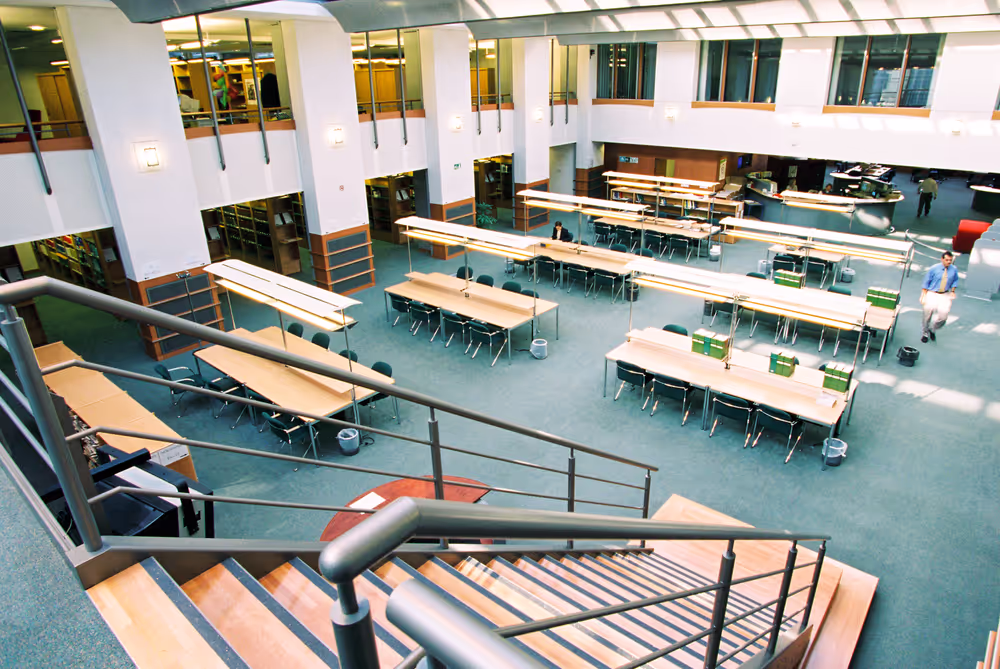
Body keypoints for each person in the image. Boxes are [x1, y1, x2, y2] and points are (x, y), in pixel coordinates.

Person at [920, 251, 958, 343]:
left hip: (945, 294)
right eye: (947, 260)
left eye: (950, 260)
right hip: (932, 293)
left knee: (943, 317)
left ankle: (932, 329)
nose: (948, 262)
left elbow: (955, 280)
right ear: (942, 259)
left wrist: (952, 291)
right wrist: (923, 295)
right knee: (927, 315)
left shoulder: (954, 269)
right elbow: (926, 282)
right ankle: (925, 333)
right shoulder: (934, 269)